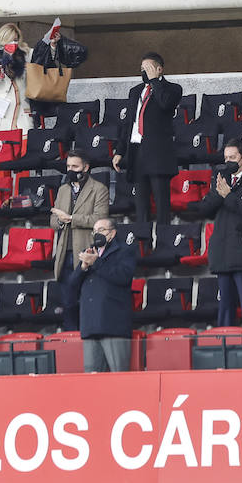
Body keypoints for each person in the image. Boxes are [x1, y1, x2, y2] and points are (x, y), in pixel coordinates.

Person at [113, 52, 183, 248]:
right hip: (137, 151)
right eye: (142, 69)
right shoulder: (135, 91)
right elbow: (128, 123)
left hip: (159, 154)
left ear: (160, 69)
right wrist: (120, 151)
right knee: (140, 204)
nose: (144, 72)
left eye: (149, 68)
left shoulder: (172, 89)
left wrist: (155, 81)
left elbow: (165, 103)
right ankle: (141, 245)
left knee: (161, 204)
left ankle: (164, 244)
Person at [199, 139, 242, 330]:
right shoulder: (221, 177)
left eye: (233, 157)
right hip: (222, 250)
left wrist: (229, 196)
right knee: (225, 306)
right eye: (226, 158)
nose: (228, 161)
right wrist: (219, 194)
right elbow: (205, 208)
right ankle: (225, 346)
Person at [65, 218, 135, 372]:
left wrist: (96, 262)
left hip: (113, 324)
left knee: (119, 375)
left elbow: (123, 277)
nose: (97, 234)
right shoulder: (89, 252)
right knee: (92, 379)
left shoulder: (125, 250)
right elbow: (71, 285)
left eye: (101, 230)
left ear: (112, 233)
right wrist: (83, 267)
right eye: (95, 231)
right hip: (90, 324)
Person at [51, 149, 109, 279]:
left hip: (86, 250)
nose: (70, 170)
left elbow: (100, 219)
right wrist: (60, 220)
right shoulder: (63, 190)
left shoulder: (99, 189)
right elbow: (53, 221)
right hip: (63, 252)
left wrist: (71, 218)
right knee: (66, 296)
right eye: (68, 166)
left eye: (75, 166)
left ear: (86, 167)